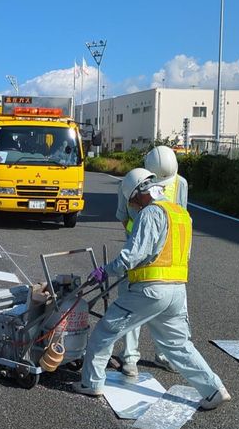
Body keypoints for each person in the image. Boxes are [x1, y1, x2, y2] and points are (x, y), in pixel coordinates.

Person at [74, 170, 230, 410]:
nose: (133, 206)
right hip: (177, 290)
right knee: (178, 345)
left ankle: (92, 382)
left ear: (138, 194)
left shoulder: (151, 213)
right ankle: (213, 390)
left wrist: (105, 270)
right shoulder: (181, 214)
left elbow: (133, 255)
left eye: (132, 201)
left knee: (105, 331)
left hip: (150, 291)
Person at [114, 146, 189, 376]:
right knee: (131, 306)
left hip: (168, 258)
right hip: (138, 254)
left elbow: (182, 218)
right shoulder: (129, 184)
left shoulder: (180, 183)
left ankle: (165, 355)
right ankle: (130, 358)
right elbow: (123, 217)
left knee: (168, 311)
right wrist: (139, 238)